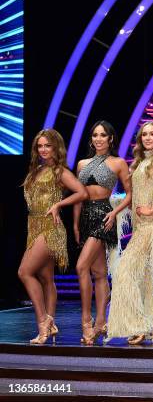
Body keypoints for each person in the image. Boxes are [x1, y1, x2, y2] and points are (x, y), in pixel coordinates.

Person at [106, 121, 153, 345]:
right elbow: (134, 193)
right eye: (144, 134)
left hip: (149, 226)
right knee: (145, 279)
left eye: (152, 134)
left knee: (124, 272)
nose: (148, 137)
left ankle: (138, 324)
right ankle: (147, 327)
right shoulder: (138, 162)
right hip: (138, 226)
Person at [19, 129, 88, 344]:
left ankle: (43, 323)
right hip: (34, 226)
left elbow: (82, 192)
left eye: (48, 145)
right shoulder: (35, 171)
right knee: (46, 279)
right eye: (40, 146)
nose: (43, 150)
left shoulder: (60, 171)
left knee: (24, 272)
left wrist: (59, 204)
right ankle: (52, 322)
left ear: (56, 147)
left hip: (51, 228)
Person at [74, 120, 131, 345]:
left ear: (110, 139)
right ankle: (101, 322)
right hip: (86, 216)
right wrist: (76, 225)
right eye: (95, 135)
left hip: (104, 216)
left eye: (103, 135)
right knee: (98, 273)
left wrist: (115, 213)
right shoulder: (81, 164)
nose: (98, 139)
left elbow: (129, 194)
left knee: (81, 266)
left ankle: (86, 322)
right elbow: (79, 196)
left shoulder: (118, 163)